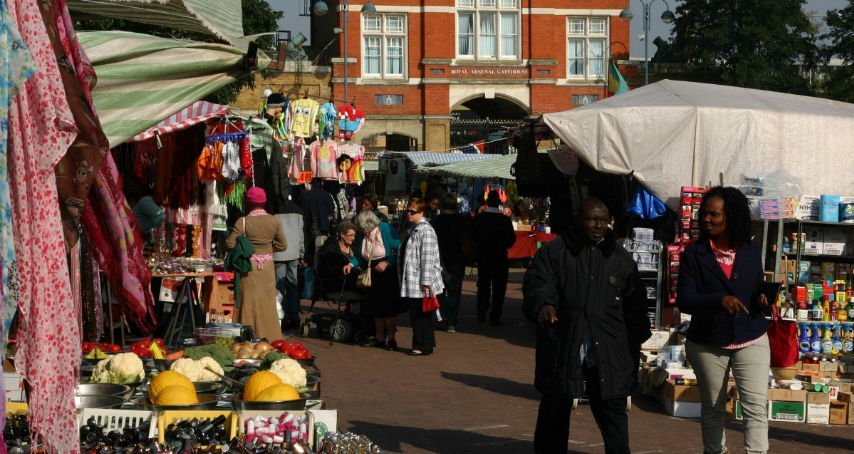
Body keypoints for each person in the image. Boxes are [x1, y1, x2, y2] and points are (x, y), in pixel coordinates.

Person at [522, 197, 651, 454]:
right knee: (555, 408)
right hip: (566, 343)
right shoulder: (555, 252)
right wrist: (544, 304)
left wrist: (634, 340)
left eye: (603, 220)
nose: (598, 225)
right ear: (579, 220)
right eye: (592, 219)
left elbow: (635, 303)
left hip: (608, 348)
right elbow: (538, 282)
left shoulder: (620, 258)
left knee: (613, 411)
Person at [677, 186, 770, 454]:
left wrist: (763, 298)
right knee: (713, 408)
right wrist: (718, 300)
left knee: (755, 407)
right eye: (704, 214)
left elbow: (755, 288)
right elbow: (685, 299)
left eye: (714, 215)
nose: (707, 219)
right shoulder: (694, 254)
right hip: (708, 341)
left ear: (731, 217)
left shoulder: (750, 250)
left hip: (750, 337)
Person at [226, 187, 287, 341]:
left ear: (248, 202)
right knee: (267, 302)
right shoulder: (274, 220)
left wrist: (244, 246)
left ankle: (246, 337)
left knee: (248, 302)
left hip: (249, 267)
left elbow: (230, 244)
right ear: (264, 202)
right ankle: (270, 336)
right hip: (267, 268)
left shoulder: (243, 222)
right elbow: (283, 245)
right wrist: (268, 250)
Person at [399, 198, 444, 356]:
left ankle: (421, 345)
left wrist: (426, 283)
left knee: (421, 315)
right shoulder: (414, 229)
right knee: (418, 314)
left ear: (421, 212)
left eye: (413, 212)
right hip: (414, 279)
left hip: (421, 281)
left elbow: (427, 258)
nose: (409, 214)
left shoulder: (426, 231)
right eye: (408, 211)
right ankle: (425, 344)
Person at [353, 210, 403, 350]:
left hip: (387, 273)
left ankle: (391, 339)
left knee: (388, 309)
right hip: (372, 274)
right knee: (375, 309)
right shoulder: (362, 234)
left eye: (364, 229)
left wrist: (388, 262)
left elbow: (399, 247)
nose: (363, 232)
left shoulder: (384, 228)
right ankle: (379, 338)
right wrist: (351, 264)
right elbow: (359, 254)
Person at [470, 189, 515, 325]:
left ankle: (482, 310)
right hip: (500, 256)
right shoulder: (505, 220)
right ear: (499, 203)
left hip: (483, 256)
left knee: (483, 284)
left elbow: (472, 236)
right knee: (499, 288)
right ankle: (495, 315)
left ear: (487, 202)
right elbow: (511, 240)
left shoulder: (479, 218)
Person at [429, 193, 468, 332]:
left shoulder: (436, 220)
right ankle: (451, 321)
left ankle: (442, 318)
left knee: (439, 290)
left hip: (438, 259)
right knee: (454, 291)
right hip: (457, 258)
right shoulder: (462, 220)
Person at [274, 201, 305, 331]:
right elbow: (300, 235)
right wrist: (301, 253)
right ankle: (294, 317)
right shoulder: (298, 210)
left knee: (279, 287)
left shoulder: (274, 209)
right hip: (293, 252)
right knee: (293, 285)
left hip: (279, 252)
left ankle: (282, 317)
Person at [316, 221, 362, 301]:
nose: (353, 238)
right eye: (350, 235)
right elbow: (326, 270)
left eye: (354, 235)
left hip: (353, 279)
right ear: (342, 235)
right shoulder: (330, 249)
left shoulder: (354, 246)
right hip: (337, 283)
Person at [301, 178, 337, 268]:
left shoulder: (306, 195)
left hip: (310, 226)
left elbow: (304, 212)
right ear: (321, 184)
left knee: (311, 250)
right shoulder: (326, 195)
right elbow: (332, 209)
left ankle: (311, 268)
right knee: (322, 249)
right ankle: (320, 268)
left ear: (312, 184)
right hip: (324, 226)